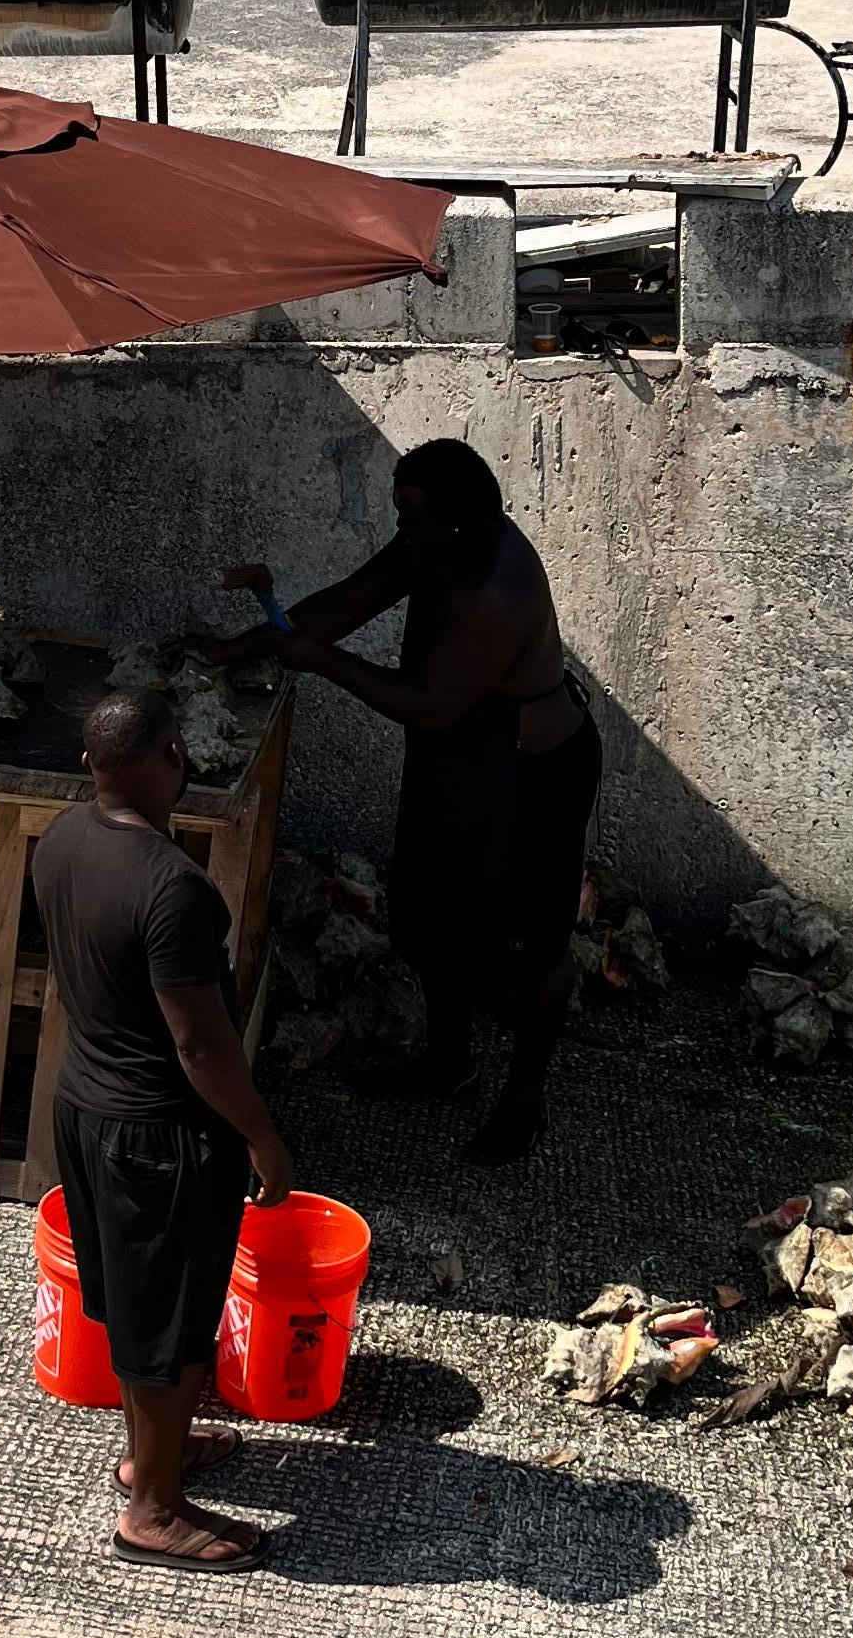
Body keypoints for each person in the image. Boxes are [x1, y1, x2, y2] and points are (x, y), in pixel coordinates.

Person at [220, 438, 600, 1167]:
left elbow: (430, 704)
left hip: (527, 775)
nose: (404, 532)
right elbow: (347, 602)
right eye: (400, 515)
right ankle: (447, 1060)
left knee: (534, 942)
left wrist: (320, 662)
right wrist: (240, 646)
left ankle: (524, 1097)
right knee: (427, 908)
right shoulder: (432, 542)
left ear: (459, 521)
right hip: (461, 753)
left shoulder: (499, 589)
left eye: (415, 518)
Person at [31, 685, 297, 1573]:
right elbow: (201, 1045)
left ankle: (158, 1453)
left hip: (85, 1111)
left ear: (88, 766)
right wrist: (261, 1136)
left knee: (143, 1312)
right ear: (174, 757)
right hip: (161, 1136)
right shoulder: (174, 889)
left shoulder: (62, 838)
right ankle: (152, 1509)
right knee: (172, 1325)